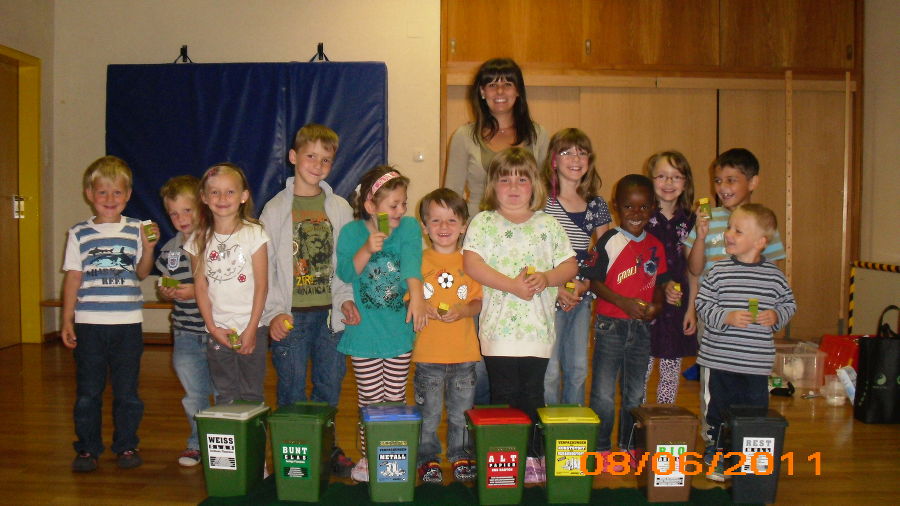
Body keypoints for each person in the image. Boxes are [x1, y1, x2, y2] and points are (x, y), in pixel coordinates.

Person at [462, 147, 577, 483]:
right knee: (504, 394)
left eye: (522, 180)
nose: (513, 187)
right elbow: (472, 263)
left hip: (537, 330)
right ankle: (503, 458)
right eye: (505, 179)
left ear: (535, 185)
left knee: (532, 394)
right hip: (498, 331)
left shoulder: (548, 224)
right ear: (492, 186)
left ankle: (532, 456)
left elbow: (569, 264)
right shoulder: (484, 222)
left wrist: (547, 278)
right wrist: (511, 286)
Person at [445, 58, 549, 405]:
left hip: (526, 254)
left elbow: (545, 197)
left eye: (507, 82)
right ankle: (483, 429)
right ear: (481, 92)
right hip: (481, 252)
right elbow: (451, 197)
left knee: (522, 351)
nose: (499, 90)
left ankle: (520, 428)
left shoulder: (538, 135)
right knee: (482, 347)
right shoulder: (464, 136)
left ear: (519, 91)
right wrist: (449, 255)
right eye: (492, 83)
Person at [260, 124, 358, 476]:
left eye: (326, 159)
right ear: (293, 157)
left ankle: (326, 448)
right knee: (291, 389)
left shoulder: (340, 208)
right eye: (311, 156)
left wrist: (346, 300)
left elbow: (346, 263)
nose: (318, 165)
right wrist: (274, 313)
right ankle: (292, 453)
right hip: (291, 318)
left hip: (331, 317)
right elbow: (266, 269)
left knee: (329, 387)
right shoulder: (274, 210)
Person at [683, 148, 786, 445]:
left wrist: (772, 315)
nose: (723, 188)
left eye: (731, 180)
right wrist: (701, 235)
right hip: (714, 315)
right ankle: (713, 439)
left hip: (751, 326)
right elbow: (694, 269)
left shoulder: (764, 222)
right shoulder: (709, 219)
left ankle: (746, 439)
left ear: (752, 182)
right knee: (716, 383)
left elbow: (775, 280)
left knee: (750, 386)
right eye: (718, 181)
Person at [62, 155, 158, 472]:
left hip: (127, 325)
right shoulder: (79, 233)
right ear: (90, 194)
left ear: (128, 195)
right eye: (102, 192)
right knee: (88, 393)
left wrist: (148, 248)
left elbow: (142, 272)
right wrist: (67, 319)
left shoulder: (136, 229)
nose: (109, 198)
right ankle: (87, 449)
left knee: (127, 392)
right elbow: (73, 277)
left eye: (117, 192)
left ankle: (127, 445)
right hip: (89, 325)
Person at [335, 166, 428, 482]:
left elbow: (412, 261)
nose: (400, 210)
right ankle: (368, 457)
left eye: (403, 203)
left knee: (396, 398)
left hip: (397, 333)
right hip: (364, 336)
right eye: (393, 205)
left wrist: (417, 296)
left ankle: (393, 454)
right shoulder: (352, 233)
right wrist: (367, 248)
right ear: (370, 206)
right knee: (370, 400)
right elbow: (346, 273)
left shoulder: (408, 227)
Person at [581, 174, 677, 472]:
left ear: (653, 208)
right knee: (603, 393)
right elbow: (594, 282)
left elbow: (660, 282)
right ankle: (601, 448)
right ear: (616, 207)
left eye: (643, 207)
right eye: (628, 207)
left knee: (635, 393)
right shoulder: (609, 240)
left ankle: (628, 447)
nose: (636, 213)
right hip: (610, 325)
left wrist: (657, 306)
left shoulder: (656, 245)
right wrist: (622, 302)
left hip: (641, 329)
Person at [695, 203, 796, 481]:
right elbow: (703, 305)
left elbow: (789, 304)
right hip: (720, 361)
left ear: (760, 242)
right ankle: (718, 454)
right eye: (729, 228)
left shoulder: (774, 276)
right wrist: (725, 316)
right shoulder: (718, 271)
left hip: (755, 364)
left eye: (738, 231)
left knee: (753, 412)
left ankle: (747, 460)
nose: (728, 234)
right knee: (717, 410)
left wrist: (776, 315)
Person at [413, 189, 483, 485]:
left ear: (464, 225)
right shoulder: (417, 261)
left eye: (452, 220)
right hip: (428, 355)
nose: (444, 227)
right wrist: (421, 304)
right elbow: (408, 298)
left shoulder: (470, 262)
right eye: (436, 220)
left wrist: (464, 310)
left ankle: (460, 456)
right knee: (428, 414)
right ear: (425, 226)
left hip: (464, 355)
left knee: (460, 414)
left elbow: (478, 302)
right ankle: (427, 459)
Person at [184, 163, 269, 405]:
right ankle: (229, 430)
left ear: (243, 196)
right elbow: (201, 287)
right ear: (204, 197)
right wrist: (212, 327)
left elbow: (262, 286)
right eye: (215, 192)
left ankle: (251, 431)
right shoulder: (198, 238)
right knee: (225, 394)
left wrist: (251, 329)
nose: (222, 198)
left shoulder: (254, 234)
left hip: (252, 327)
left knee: (252, 393)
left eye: (230, 192)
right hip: (218, 329)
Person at [541, 128, 611, 406]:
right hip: (548, 292)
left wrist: (585, 284)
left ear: (590, 160)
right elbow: (533, 250)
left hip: (582, 293)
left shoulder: (597, 204)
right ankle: (546, 429)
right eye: (567, 152)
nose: (575, 158)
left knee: (578, 368)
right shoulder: (541, 201)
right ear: (553, 160)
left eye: (582, 153)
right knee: (550, 371)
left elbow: (605, 253)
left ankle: (573, 427)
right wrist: (555, 287)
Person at [155, 175, 214, 467]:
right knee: (194, 395)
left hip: (217, 333)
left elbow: (229, 285)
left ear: (202, 206)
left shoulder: (217, 242)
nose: (181, 219)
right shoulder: (169, 250)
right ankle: (197, 443)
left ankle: (227, 442)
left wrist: (197, 291)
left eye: (187, 210)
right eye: (174, 214)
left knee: (224, 393)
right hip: (185, 334)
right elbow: (167, 283)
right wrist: (166, 291)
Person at [643, 151, 698, 404]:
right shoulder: (641, 218)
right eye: (661, 176)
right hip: (647, 303)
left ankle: (665, 417)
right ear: (651, 180)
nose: (668, 183)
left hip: (677, 305)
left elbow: (693, 270)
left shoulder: (691, 220)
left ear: (686, 183)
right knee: (641, 369)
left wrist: (691, 309)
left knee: (670, 370)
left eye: (676, 177)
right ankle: (637, 419)